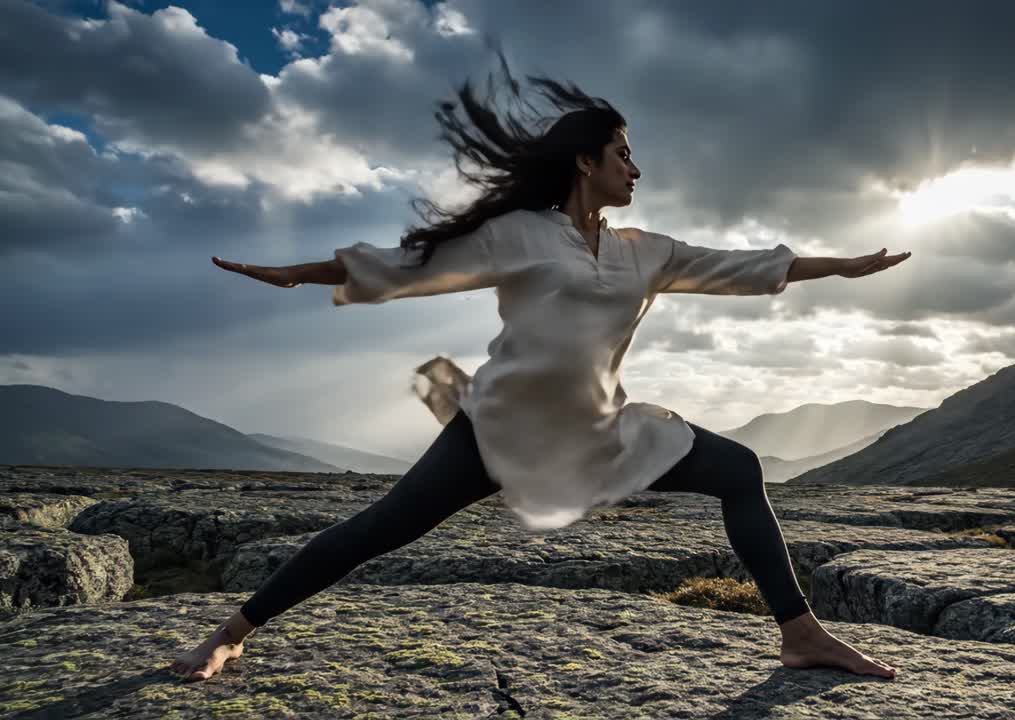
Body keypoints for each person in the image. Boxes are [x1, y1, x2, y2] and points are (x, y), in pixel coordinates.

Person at [172, 62, 910, 683]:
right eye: (623, 154)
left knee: (739, 469)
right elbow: (408, 265)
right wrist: (295, 274)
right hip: (497, 427)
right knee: (381, 528)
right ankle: (232, 631)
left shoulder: (646, 251)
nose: (637, 168)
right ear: (585, 162)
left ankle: (800, 634)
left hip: (594, 431)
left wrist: (841, 265)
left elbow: (745, 265)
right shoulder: (518, 235)